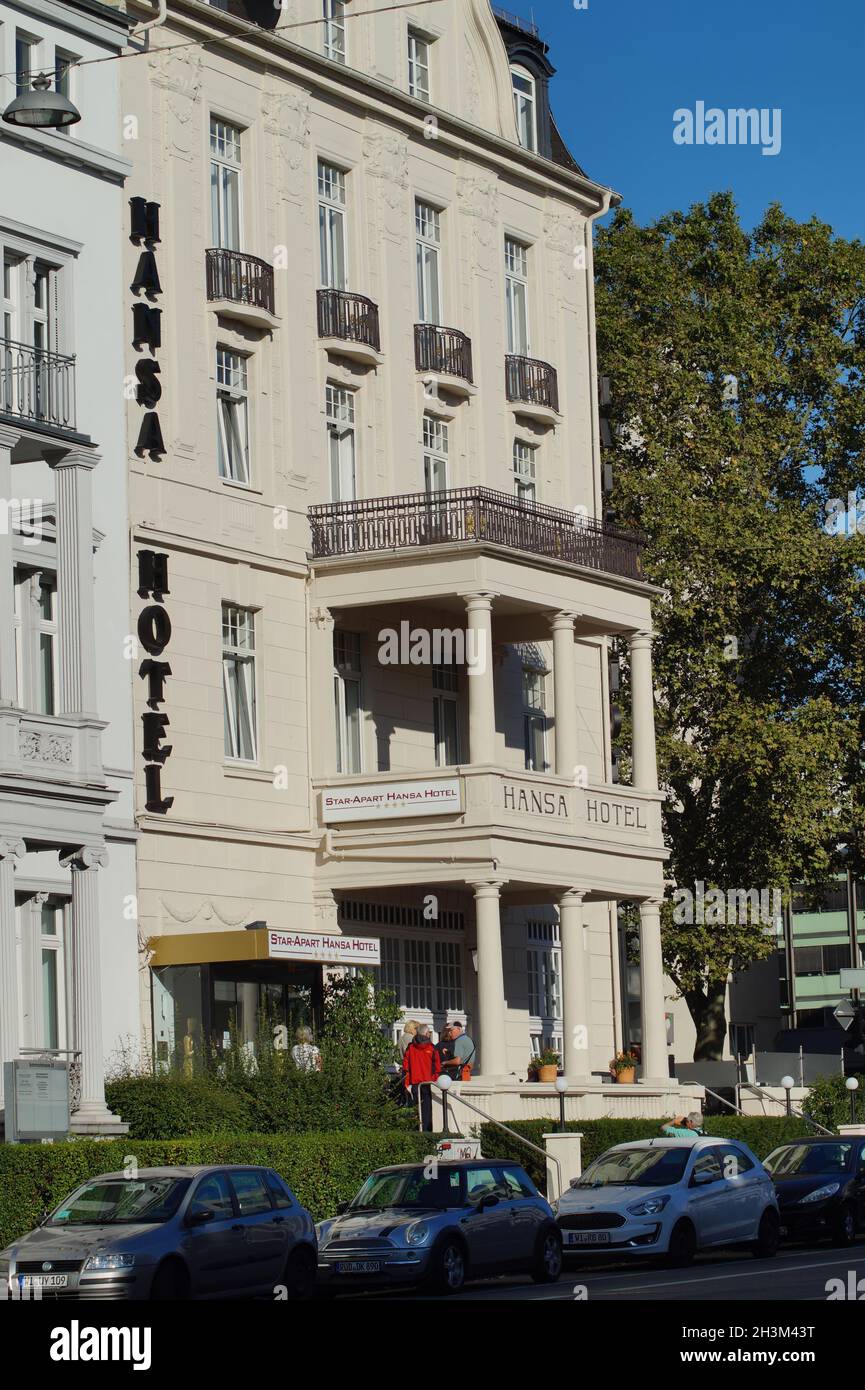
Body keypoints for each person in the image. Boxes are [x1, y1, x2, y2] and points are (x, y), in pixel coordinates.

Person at [402, 1023, 440, 1131]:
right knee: (427, 1109)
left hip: (414, 1083)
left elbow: (405, 1066)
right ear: (427, 1033)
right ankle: (426, 1131)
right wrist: (435, 1079)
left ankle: (416, 1130)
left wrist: (406, 1082)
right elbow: (437, 1067)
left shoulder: (410, 1048)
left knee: (415, 1109)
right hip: (428, 1083)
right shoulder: (432, 1048)